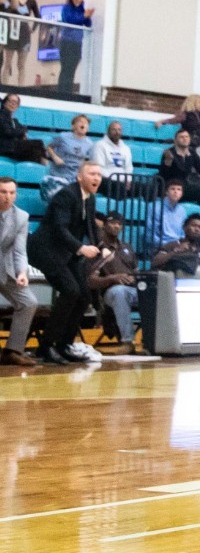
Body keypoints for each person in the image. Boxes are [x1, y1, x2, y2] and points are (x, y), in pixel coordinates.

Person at [26, 161, 101, 364]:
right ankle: (45, 347)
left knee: (84, 296)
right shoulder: (66, 195)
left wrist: (99, 246)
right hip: (46, 251)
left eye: (99, 174)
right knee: (70, 291)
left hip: (67, 253)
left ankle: (64, 344)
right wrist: (81, 248)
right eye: (92, 173)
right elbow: (60, 229)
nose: (97, 178)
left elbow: (89, 226)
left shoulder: (90, 198)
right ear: (79, 177)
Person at [0, 177, 38, 366]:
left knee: (29, 302)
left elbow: (19, 250)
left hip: (5, 269)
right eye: (3, 192)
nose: (8, 197)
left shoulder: (21, 216)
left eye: (12, 193)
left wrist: (22, 272)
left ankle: (13, 350)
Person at [86, 211, 139, 347]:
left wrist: (137, 279)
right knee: (119, 292)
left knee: (157, 292)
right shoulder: (96, 249)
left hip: (133, 289)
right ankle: (127, 341)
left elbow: (136, 271)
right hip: (109, 292)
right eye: (112, 223)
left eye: (119, 224)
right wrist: (112, 278)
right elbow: (90, 281)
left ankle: (154, 341)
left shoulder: (126, 247)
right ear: (104, 225)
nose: (116, 226)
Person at [43, 115, 95, 199]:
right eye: (80, 121)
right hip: (59, 175)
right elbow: (49, 147)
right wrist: (55, 157)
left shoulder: (89, 143)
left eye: (86, 123)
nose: (83, 124)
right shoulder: (63, 137)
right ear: (73, 126)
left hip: (75, 178)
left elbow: (88, 161)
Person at [158, 129, 200, 205]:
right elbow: (163, 174)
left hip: (184, 185)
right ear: (176, 140)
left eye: (187, 137)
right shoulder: (169, 153)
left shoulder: (192, 153)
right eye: (181, 137)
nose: (185, 139)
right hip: (170, 185)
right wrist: (168, 162)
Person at [2, 0, 40, 85]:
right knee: (8, 61)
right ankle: (5, 85)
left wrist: (33, 28)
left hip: (24, 32)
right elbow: (11, 8)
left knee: (21, 63)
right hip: (12, 29)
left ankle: (21, 88)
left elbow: (38, 16)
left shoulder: (32, 1)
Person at [58, 0, 93, 94]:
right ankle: (62, 92)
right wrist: (84, 16)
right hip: (66, 41)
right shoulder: (66, 7)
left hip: (77, 43)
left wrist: (87, 17)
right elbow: (69, 20)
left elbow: (88, 24)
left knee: (72, 68)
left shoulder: (82, 10)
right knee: (65, 67)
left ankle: (68, 92)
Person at [90, 120, 136, 190]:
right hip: (106, 181)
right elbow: (99, 168)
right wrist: (115, 179)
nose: (117, 132)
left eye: (119, 130)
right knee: (119, 187)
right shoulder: (99, 145)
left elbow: (129, 168)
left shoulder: (126, 148)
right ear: (108, 132)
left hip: (123, 182)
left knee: (147, 188)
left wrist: (128, 180)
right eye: (114, 129)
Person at [0, 94, 46, 163]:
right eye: (10, 101)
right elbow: (8, 131)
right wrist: (22, 132)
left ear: (17, 106)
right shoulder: (2, 116)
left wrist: (22, 131)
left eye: (15, 103)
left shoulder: (15, 120)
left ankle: (44, 165)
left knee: (36, 153)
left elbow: (23, 129)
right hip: (6, 147)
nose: (13, 104)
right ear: (5, 103)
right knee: (38, 143)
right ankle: (47, 163)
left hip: (14, 147)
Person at [147, 182, 190, 248]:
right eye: (172, 189)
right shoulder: (154, 206)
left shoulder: (182, 210)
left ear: (182, 194)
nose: (176, 192)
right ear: (166, 192)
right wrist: (164, 244)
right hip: (160, 246)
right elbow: (150, 232)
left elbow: (183, 232)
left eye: (179, 189)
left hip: (178, 245)